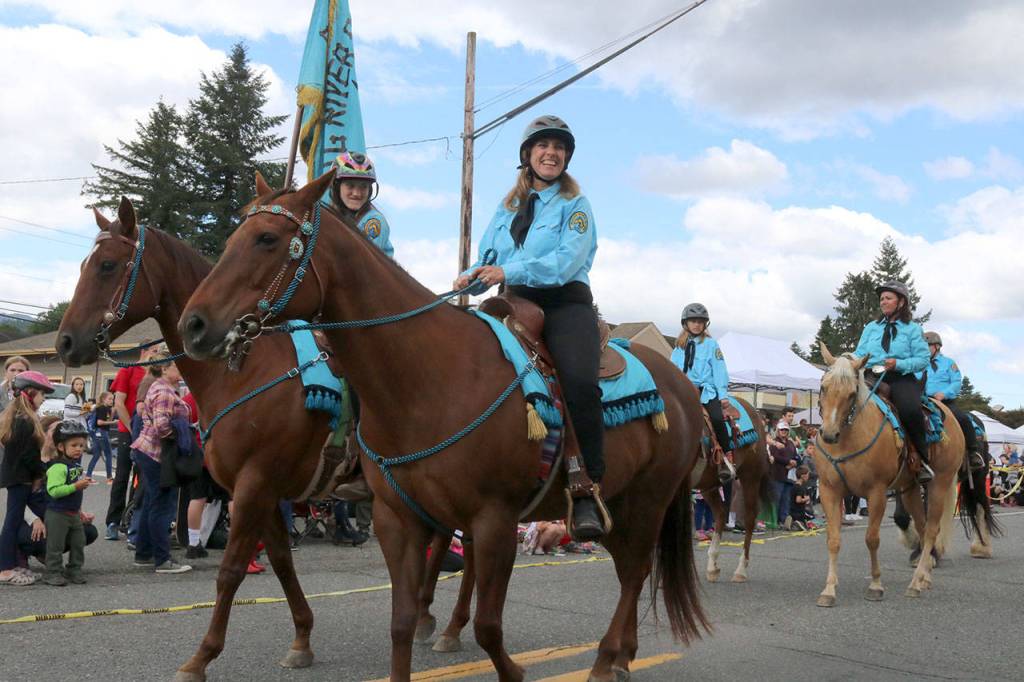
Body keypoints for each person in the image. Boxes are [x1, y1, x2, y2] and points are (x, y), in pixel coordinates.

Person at [453, 114, 605, 539]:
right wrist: (470, 273)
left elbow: (565, 262)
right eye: (543, 146)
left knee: (578, 382)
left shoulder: (576, 205)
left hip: (563, 303)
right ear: (528, 155)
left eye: (559, 147)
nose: (551, 152)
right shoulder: (508, 208)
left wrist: (505, 270)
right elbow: (489, 253)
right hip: (512, 300)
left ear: (566, 157)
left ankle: (587, 485)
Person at [853, 281, 932, 483]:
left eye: (888, 298)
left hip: (900, 377)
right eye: (881, 299)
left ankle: (921, 459)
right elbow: (859, 353)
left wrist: (898, 363)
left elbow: (923, 360)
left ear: (901, 302)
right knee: (848, 401)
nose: (883, 302)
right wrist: (845, 362)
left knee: (910, 410)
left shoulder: (913, 329)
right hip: (871, 376)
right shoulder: (871, 328)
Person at [130, 356, 191, 573]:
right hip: (157, 454)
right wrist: (183, 433)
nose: (181, 370)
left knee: (151, 502)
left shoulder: (159, 387)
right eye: (177, 366)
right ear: (165, 369)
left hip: (146, 450)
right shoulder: (165, 391)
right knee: (162, 505)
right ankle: (162, 559)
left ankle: (144, 553)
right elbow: (162, 425)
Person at [0, 370, 54, 586]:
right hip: (20, 479)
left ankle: (13, 564)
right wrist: (41, 471)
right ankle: (4, 569)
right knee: (11, 523)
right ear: (30, 393)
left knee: (13, 521)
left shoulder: (20, 418)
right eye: (42, 394)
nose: (44, 399)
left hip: (18, 478)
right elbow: (28, 456)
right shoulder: (25, 421)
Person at [671, 302, 735, 484]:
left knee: (716, 418)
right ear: (686, 323)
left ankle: (726, 457)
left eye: (700, 322)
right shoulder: (678, 347)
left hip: (705, 391)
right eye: (693, 321)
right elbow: (673, 370)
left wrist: (722, 395)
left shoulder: (711, 345)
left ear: (705, 324)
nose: (696, 325)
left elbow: (719, 370)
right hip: (683, 391)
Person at [104, 342, 160, 540]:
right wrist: (131, 429)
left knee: (141, 478)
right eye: (155, 351)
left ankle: (130, 521)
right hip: (128, 429)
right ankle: (112, 520)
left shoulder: (157, 373)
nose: (158, 354)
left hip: (149, 432)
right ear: (144, 352)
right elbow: (119, 403)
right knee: (122, 474)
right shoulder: (128, 370)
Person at [919, 331, 984, 470]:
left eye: (927, 346)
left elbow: (956, 382)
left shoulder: (949, 363)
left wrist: (944, 393)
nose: (924, 350)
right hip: (924, 401)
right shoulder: (918, 364)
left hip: (945, 402)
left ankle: (973, 452)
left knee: (963, 419)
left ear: (936, 346)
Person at [42, 420, 94, 585]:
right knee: (55, 545)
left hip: (73, 513)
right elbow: (54, 490)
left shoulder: (75, 465)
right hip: (57, 513)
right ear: (60, 447)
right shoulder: (58, 467)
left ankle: (74, 570)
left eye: (81, 445)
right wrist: (75, 486)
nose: (79, 448)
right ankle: (52, 572)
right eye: (74, 445)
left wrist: (80, 484)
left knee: (78, 542)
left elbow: (73, 486)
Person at [328, 151, 394, 259]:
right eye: (350, 185)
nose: (357, 193)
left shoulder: (374, 222)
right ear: (336, 187)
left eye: (363, 187)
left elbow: (361, 264)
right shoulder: (330, 218)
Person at [768, 421, 798, 526]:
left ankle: (784, 520)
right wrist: (788, 461)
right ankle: (775, 520)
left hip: (789, 474)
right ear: (778, 431)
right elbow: (774, 455)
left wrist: (794, 462)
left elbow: (796, 455)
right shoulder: (774, 442)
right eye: (782, 429)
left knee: (786, 499)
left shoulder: (790, 443)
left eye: (785, 430)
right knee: (777, 498)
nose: (784, 431)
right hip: (777, 474)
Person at [86, 391, 116, 482]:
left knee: (97, 454)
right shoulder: (102, 408)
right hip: (102, 432)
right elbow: (100, 422)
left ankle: (88, 476)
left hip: (96, 433)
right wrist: (114, 422)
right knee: (108, 454)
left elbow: (107, 419)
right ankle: (109, 477)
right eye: (109, 399)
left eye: (112, 399)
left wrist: (113, 412)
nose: (112, 401)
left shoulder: (105, 408)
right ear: (103, 399)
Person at [786, 465, 813, 531]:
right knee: (811, 515)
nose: (808, 477)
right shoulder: (800, 488)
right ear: (802, 476)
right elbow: (798, 500)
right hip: (799, 512)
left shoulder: (794, 486)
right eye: (807, 475)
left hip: (792, 511)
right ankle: (798, 523)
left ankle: (795, 521)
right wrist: (806, 499)